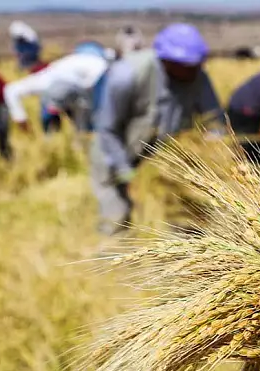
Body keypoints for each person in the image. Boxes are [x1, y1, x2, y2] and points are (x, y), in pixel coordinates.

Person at [91, 23, 222, 236]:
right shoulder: (127, 75)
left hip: (161, 157)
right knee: (117, 217)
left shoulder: (197, 76)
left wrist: (214, 153)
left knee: (182, 218)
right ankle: (113, 263)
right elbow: (107, 130)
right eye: (188, 65)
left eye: (198, 64)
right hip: (115, 153)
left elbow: (215, 122)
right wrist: (127, 173)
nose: (196, 70)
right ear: (166, 60)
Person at [3, 48, 110, 134]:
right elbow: (11, 90)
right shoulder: (45, 80)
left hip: (95, 83)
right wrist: (20, 118)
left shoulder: (97, 73)